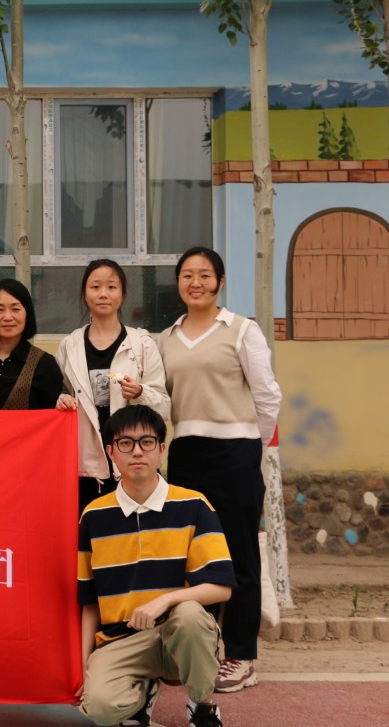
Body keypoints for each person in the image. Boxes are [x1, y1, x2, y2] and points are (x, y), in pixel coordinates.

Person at [157, 246, 281, 694]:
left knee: (239, 556)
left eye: (205, 275)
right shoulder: (166, 338)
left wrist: (250, 446)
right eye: (187, 275)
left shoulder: (242, 330)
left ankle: (241, 656)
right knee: (193, 557)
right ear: (178, 283)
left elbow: (267, 396)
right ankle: (200, 650)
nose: (196, 283)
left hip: (236, 455)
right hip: (186, 454)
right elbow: (161, 397)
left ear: (220, 282)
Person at [78, 404, 233, 727]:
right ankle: (141, 694)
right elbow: (90, 602)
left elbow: (221, 587)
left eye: (146, 442)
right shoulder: (94, 516)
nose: (137, 452)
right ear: (111, 452)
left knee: (190, 615)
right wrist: (81, 669)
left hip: (179, 635)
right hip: (120, 640)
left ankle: (202, 706)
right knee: (100, 710)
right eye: (125, 443)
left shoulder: (194, 505)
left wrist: (165, 600)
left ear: (161, 449)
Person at [55, 259, 171, 511]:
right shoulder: (70, 346)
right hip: (87, 469)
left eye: (111, 287)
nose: (103, 294)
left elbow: (164, 407)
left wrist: (140, 393)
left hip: (134, 464)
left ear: (123, 294)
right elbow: (59, 396)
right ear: (85, 294)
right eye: (95, 287)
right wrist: (60, 400)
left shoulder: (142, 344)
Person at [0, 278, 63, 410]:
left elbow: (54, 417)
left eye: (15, 309)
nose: (7, 317)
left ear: (27, 315)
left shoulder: (45, 364)